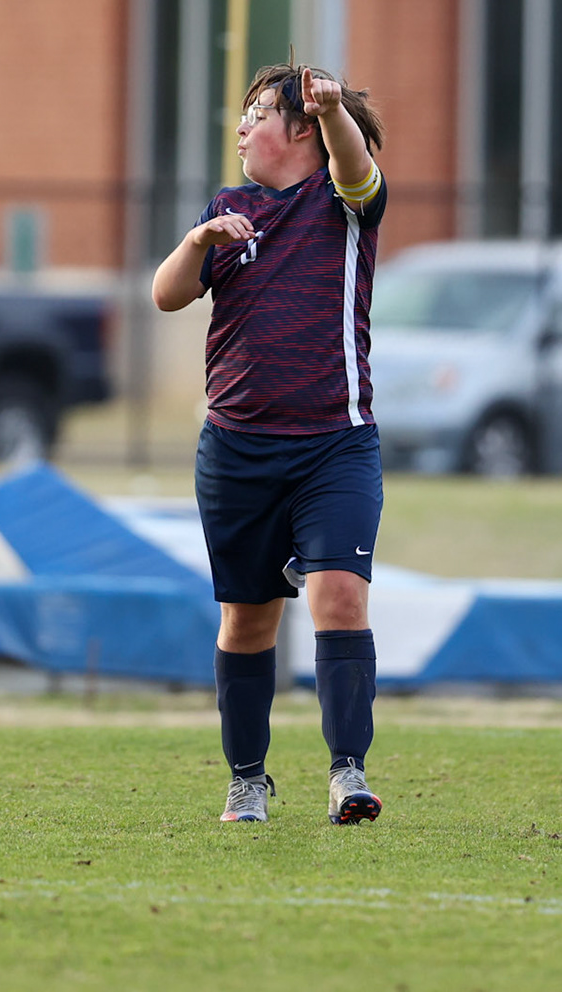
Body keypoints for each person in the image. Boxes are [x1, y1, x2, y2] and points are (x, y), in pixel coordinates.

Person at [152, 61, 388, 826]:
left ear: (303, 132)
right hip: (237, 450)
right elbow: (167, 295)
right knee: (248, 619)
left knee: (340, 596)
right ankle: (247, 780)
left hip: (334, 445)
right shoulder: (229, 210)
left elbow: (356, 167)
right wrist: (198, 238)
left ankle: (348, 772)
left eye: (258, 112)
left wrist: (333, 113)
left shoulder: (342, 201)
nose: (243, 125)